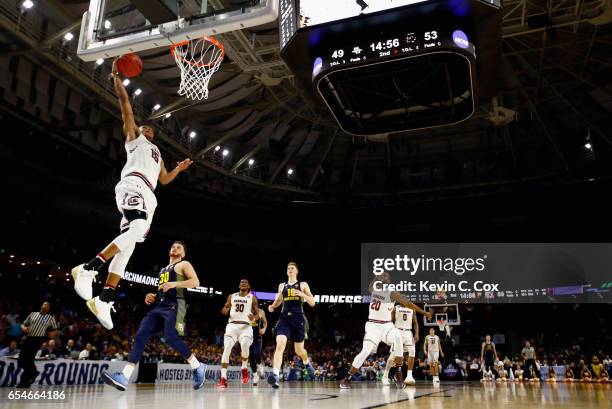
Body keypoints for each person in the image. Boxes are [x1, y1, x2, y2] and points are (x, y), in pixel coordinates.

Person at [71, 58, 193, 330]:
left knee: (129, 245)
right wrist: (117, 79)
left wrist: (179, 169)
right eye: (144, 127)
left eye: (150, 129)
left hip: (150, 195)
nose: (146, 129)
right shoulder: (134, 139)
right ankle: (88, 268)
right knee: (137, 228)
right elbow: (125, 108)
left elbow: (164, 179)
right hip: (133, 185)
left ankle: (104, 299)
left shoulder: (158, 153)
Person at [101, 241, 206, 391]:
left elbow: (195, 282)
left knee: (170, 337)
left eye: (179, 247)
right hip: (159, 306)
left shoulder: (184, 264)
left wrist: (174, 284)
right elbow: (162, 290)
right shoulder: (163, 270)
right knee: (141, 335)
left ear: (183, 254)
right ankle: (124, 376)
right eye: (173, 246)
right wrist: (152, 296)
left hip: (176, 305)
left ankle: (197, 366)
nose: (175, 248)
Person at [340, 272, 432, 389]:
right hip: (373, 326)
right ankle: (347, 378)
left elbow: (409, 304)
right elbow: (370, 286)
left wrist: (424, 313)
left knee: (398, 336)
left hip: (387, 326)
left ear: (389, 281)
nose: (384, 277)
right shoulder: (374, 289)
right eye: (382, 276)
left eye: (386, 276)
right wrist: (376, 277)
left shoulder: (393, 293)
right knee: (365, 351)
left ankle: (398, 372)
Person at [267, 262, 316, 388]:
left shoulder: (303, 284)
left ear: (297, 271)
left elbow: (312, 302)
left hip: (298, 318)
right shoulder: (282, 286)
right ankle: (276, 375)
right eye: (288, 268)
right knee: (280, 344)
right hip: (284, 318)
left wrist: (302, 294)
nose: (290, 270)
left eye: (292, 268)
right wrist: (273, 306)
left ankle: (306, 362)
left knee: (299, 350)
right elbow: (278, 300)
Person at [217, 279, 260, 388]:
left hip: (245, 326)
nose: (243, 283)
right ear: (239, 285)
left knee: (245, 345)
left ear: (249, 286)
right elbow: (225, 308)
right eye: (241, 282)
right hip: (232, 326)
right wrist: (224, 310)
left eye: (246, 282)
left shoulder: (252, 298)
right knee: (226, 350)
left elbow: (257, 314)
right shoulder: (232, 296)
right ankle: (223, 379)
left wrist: (254, 318)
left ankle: (244, 368)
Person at [17, 302, 58, 388]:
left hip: (37, 340)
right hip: (28, 338)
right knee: (21, 360)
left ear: (49, 308)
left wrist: (52, 334)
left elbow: (55, 330)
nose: (46, 305)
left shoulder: (50, 318)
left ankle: (24, 382)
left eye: (48, 305)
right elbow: (23, 324)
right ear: (41, 306)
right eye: (45, 304)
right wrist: (24, 328)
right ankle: (33, 373)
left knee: (29, 360)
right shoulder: (33, 314)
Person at [382, 303, 420, 385]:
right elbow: (391, 321)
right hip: (397, 331)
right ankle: (385, 376)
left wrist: (416, 334)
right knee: (393, 355)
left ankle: (409, 376)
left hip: (408, 332)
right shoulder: (395, 308)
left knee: (412, 351)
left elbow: (415, 323)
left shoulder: (412, 308)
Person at [249, 304, 267, 386]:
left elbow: (265, 322)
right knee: (251, 357)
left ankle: (260, 365)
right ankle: (255, 375)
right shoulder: (246, 311)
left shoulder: (261, 311)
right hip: (247, 337)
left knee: (257, 353)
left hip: (257, 337)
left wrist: (263, 329)